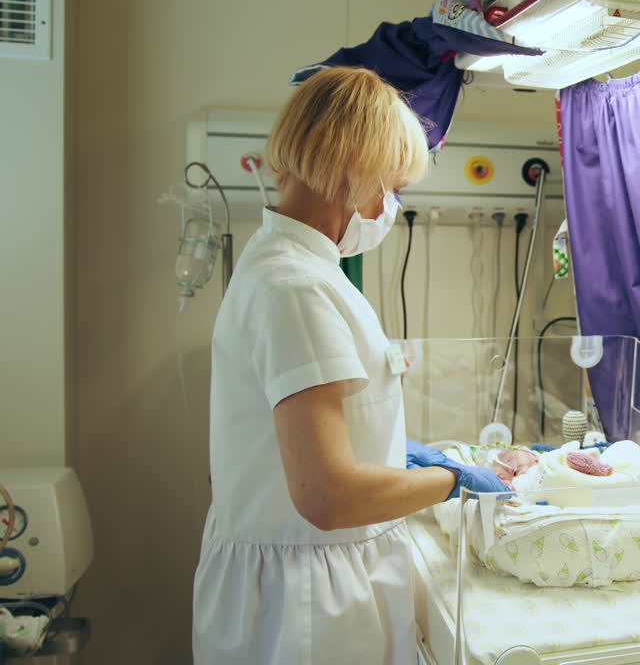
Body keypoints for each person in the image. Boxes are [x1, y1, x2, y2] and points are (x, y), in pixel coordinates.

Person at [192, 66, 508, 665]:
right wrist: (451, 484)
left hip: (311, 582)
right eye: (391, 186)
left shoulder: (292, 267)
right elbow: (328, 496)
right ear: (353, 171)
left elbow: (322, 428)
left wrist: (396, 454)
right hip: (309, 608)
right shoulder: (296, 288)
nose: (389, 205)